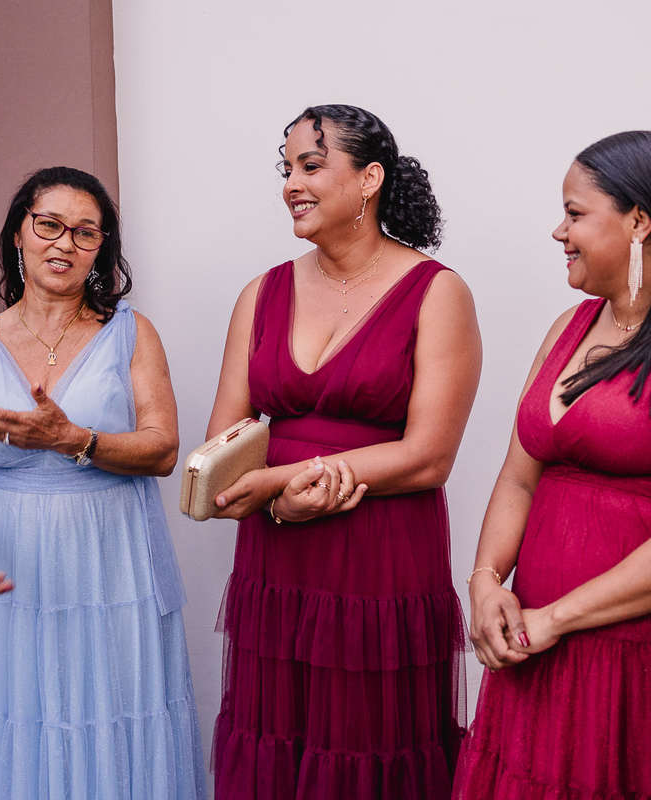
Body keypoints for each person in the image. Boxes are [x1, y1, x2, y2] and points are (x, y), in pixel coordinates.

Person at [451, 131, 651, 800]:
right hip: (532, 655)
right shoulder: (569, 326)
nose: (559, 231)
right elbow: (517, 476)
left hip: (632, 664)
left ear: (640, 221)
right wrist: (484, 584)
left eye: (576, 213)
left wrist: (556, 617)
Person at [206, 104, 480, 799]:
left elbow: (428, 457)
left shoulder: (437, 293)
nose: (291, 183)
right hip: (279, 559)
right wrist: (264, 497)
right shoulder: (259, 293)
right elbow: (220, 457)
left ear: (369, 180)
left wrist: (281, 481)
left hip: (380, 553)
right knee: (279, 741)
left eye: (311, 164)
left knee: (370, 751)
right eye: (287, 167)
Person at [0, 166, 207, 799]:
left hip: (115, 569)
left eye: (84, 232)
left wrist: (72, 438)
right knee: (21, 724)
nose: (64, 244)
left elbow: (163, 449)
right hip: (12, 568)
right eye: (48, 224)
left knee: (111, 719)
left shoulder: (130, 333)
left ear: (100, 248)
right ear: (18, 234)